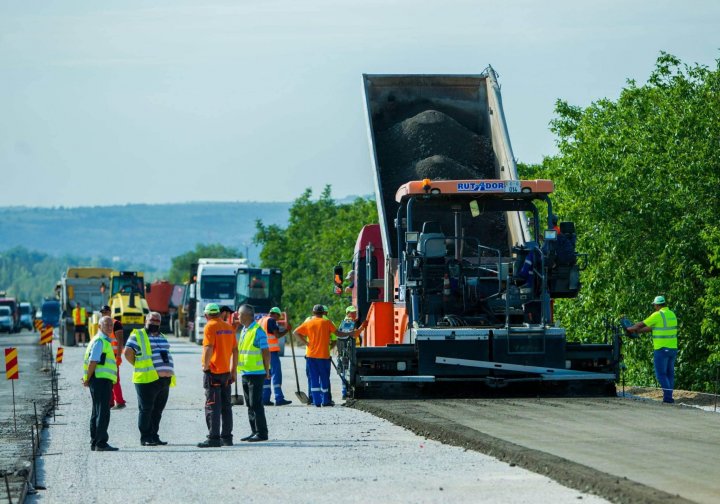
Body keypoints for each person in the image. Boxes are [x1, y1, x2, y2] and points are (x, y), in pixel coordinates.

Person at [293, 305, 362, 407]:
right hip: (324, 355)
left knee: (314, 378)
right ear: (323, 313)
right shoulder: (327, 322)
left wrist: (306, 343)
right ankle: (325, 401)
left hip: (311, 356)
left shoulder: (308, 322)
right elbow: (338, 333)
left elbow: (295, 332)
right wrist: (352, 333)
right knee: (324, 378)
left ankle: (316, 402)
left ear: (313, 312)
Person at [124, 312, 176, 446]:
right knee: (146, 409)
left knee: (158, 410)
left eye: (158, 321)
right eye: (152, 320)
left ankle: (154, 435)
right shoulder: (138, 335)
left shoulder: (163, 336)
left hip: (164, 380)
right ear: (145, 320)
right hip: (146, 379)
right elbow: (128, 352)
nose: (155, 323)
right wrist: (138, 365)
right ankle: (145, 437)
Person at [198, 303, 238, 448]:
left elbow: (208, 347)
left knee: (212, 406)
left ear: (207, 315)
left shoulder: (210, 326)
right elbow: (235, 350)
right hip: (226, 373)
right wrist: (233, 371)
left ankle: (213, 438)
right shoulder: (229, 327)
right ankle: (227, 438)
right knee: (226, 406)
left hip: (213, 372)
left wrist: (206, 367)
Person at [626, 296, 679, 404]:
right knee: (670, 374)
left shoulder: (657, 315)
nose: (654, 306)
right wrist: (638, 332)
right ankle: (669, 397)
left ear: (657, 305)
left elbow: (642, 324)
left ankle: (668, 398)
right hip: (673, 348)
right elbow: (653, 328)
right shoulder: (671, 314)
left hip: (661, 348)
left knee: (661, 374)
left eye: (654, 305)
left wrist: (630, 329)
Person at [82, 316, 119, 451]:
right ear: (99, 327)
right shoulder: (100, 341)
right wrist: (87, 378)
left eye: (111, 325)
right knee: (102, 412)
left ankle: (94, 441)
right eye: (106, 325)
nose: (109, 327)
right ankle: (101, 443)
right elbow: (93, 361)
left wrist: (88, 378)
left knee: (96, 412)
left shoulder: (99, 341)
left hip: (99, 380)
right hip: (100, 380)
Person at [236, 304, 271, 442]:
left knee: (256, 404)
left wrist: (267, 370)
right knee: (249, 404)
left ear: (247, 315)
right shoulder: (245, 330)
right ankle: (254, 431)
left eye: (239, 314)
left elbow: (266, 352)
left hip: (256, 373)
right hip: (246, 372)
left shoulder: (258, 331)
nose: (237, 316)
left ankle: (262, 433)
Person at [260, 307, 292, 406]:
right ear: (276, 314)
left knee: (266, 374)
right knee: (276, 374)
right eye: (278, 317)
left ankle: (265, 399)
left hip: (262, 351)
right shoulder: (271, 320)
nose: (277, 320)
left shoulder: (261, 320)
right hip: (271, 352)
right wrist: (287, 330)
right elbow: (277, 335)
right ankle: (279, 398)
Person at [99, 305, 127, 410]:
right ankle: (110, 402)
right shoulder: (102, 324)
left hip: (114, 356)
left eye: (106, 312)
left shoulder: (116, 324)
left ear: (110, 312)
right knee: (107, 379)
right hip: (104, 355)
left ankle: (119, 401)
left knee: (114, 379)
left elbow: (120, 341)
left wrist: (119, 356)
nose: (104, 314)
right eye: (102, 312)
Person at [337, 306, 364, 400]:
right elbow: (353, 334)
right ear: (347, 313)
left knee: (346, 370)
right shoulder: (348, 322)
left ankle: (346, 391)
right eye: (352, 312)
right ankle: (345, 392)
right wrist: (362, 327)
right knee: (346, 370)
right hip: (347, 352)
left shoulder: (350, 322)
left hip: (348, 351)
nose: (354, 314)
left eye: (355, 312)